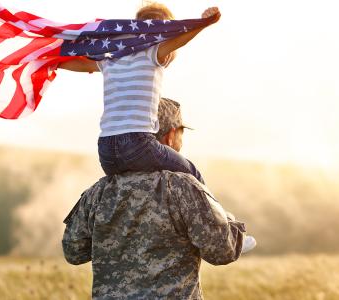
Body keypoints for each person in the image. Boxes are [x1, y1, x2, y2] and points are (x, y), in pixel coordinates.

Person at [62, 98, 255, 299]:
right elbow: (221, 250)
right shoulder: (183, 187)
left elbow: (73, 251)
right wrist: (230, 223)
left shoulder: (98, 191)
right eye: (181, 132)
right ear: (171, 135)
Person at [58, 3, 220, 184]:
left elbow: (80, 65)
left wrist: (50, 60)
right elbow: (180, 40)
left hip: (106, 152)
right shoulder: (152, 52)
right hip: (138, 145)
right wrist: (204, 23)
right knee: (193, 174)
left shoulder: (111, 57)